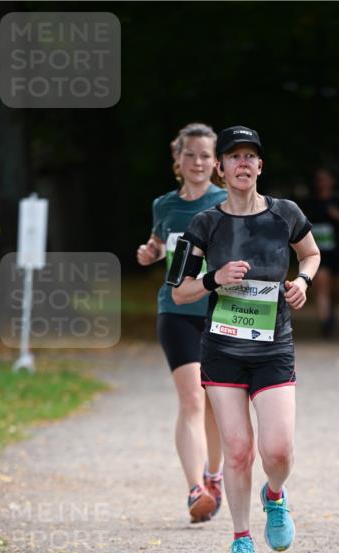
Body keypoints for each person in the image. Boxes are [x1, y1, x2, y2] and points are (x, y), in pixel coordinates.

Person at [171, 125, 320, 553]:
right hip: (223, 350)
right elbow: (180, 292)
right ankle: (240, 539)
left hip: (273, 347)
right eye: (233, 156)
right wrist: (215, 279)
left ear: (260, 166)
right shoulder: (205, 223)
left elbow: (310, 254)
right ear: (221, 167)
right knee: (237, 450)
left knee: (278, 451)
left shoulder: (285, 214)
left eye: (250, 157)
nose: (242, 164)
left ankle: (274, 495)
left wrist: (303, 282)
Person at [136, 123, 226, 522]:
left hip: (220, 311)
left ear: (217, 162)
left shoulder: (229, 202)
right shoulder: (164, 205)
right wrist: (150, 252)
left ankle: (214, 475)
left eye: (206, 155)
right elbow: (163, 244)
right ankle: (195, 489)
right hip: (175, 312)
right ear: (178, 160)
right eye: (190, 154)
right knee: (191, 398)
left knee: (216, 402)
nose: (198, 162)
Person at [302, 168, 339, 338]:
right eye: (319, 179)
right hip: (317, 252)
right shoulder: (309, 202)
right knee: (321, 286)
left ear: (332, 181)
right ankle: (325, 324)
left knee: (336, 290)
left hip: (337, 251)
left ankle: (332, 312)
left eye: (326, 179)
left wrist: (337, 215)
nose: (322, 183)